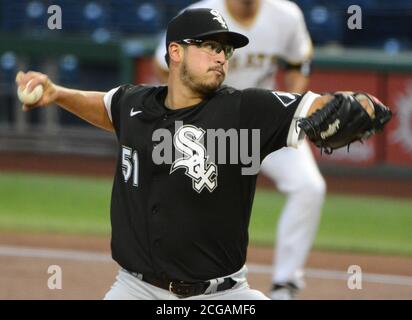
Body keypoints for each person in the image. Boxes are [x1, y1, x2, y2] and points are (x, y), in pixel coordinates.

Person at [16, 8, 386, 300]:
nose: (222, 57)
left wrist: (362, 104)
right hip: (136, 290)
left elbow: (318, 105)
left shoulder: (245, 110)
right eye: (209, 46)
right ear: (175, 52)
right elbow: (105, 107)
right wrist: (57, 93)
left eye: (225, 49)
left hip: (223, 295)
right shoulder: (134, 103)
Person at [153, 0, 325, 299]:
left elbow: (299, 63)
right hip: (211, 122)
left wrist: (294, 108)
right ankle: (172, 281)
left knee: (310, 187)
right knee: (192, 193)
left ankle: (285, 285)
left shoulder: (286, 15)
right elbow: (162, 62)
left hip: (264, 119)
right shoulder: (201, 13)